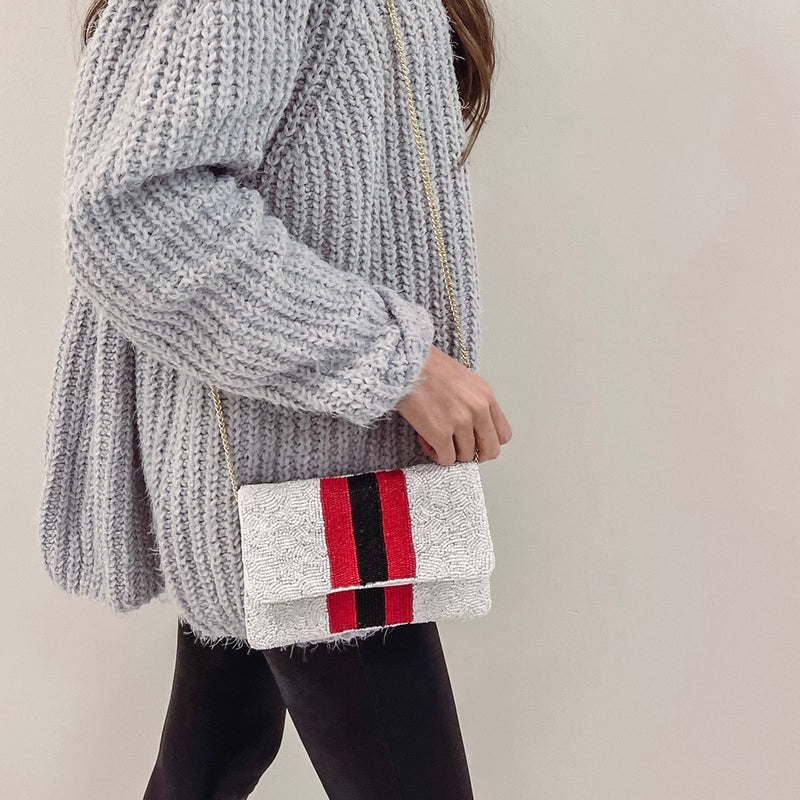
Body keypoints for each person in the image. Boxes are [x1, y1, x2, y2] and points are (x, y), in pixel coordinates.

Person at [39, 0, 512, 797]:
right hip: (306, 495)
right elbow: (135, 211)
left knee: (212, 757)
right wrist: (396, 362)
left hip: (297, 474)